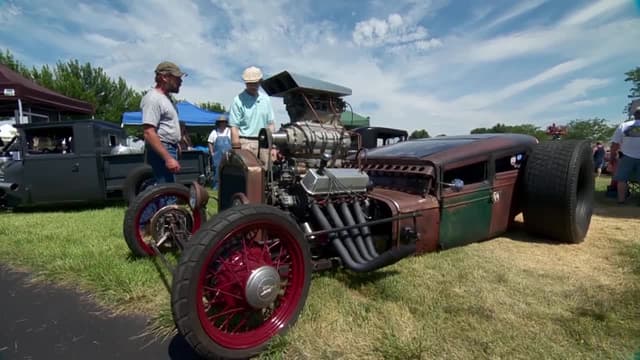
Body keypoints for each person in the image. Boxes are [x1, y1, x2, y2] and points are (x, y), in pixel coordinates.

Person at [140, 61, 186, 184]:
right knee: (166, 193)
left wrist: (177, 145)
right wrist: (168, 158)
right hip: (162, 149)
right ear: (164, 77)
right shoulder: (153, 98)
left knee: (168, 191)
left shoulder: (167, 99)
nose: (180, 82)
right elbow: (149, 132)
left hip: (169, 147)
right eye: (177, 78)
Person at [228, 66, 276, 162]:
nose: (253, 86)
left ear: (260, 82)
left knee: (267, 174)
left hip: (265, 143)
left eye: (255, 83)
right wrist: (236, 150)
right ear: (245, 83)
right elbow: (234, 127)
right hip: (245, 143)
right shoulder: (238, 100)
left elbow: (271, 124)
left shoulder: (266, 99)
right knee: (248, 174)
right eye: (249, 84)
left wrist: (273, 146)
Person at [610, 100, 640, 204]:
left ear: (634, 115)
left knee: (622, 179)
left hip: (626, 156)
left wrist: (612, 158)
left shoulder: (624, 125)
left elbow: (615, 144)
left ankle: (621, 200)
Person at [207, 115, 232, 189]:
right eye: (221, 122)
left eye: (224, 122)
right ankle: (216, 186)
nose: (222, 123)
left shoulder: (229, 131)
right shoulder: (214, 132)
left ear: (226, 122)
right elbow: (209, 142)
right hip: (217, 156)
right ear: (218, 123)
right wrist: (212, 153)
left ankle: (228, 185)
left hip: (228, 155)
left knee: (229, 170)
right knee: (217, 171)